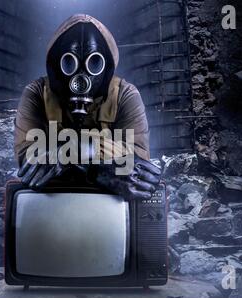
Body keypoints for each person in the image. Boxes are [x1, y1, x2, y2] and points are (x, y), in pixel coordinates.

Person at [14, 14, 161, 200]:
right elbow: (28, 161)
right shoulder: (37, 93)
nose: (81, 77)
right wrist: (97, 168)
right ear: (56, 65)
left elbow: (136, 163)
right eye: (69, 63)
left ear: (106, 65)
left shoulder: (125, 95)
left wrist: (62, 155)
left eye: (94, 63)